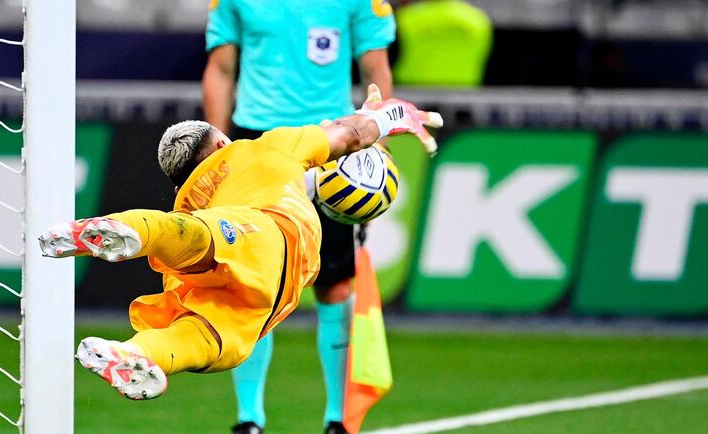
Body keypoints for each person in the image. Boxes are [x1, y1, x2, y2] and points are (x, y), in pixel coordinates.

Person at [38, 86, 440, 406]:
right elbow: (351, 136)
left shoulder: (188, 199)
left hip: (223, 275)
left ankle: (134, 351)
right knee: (210, 273)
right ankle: (133, 238)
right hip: (270, 237)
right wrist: (389, 116)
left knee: (203, 329)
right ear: (219, 144)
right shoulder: (264, 147)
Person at [202, 0, 396, 434]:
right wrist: (216, 151)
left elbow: (376, 71)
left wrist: (375, 142)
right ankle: (248, 420)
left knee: (334, 287)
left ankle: (339, 422)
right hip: (257, 142)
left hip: (330, 146)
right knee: (253, 283)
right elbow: (221, 68)